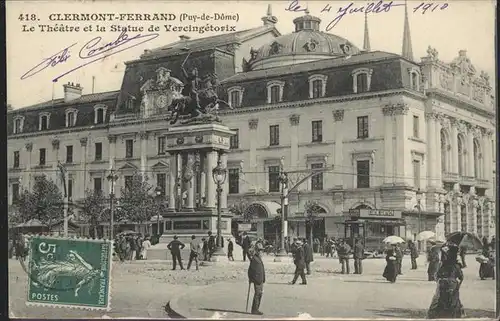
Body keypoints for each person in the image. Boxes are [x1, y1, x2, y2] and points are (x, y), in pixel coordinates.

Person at [427, 242, 465, 319]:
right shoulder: (456, 265)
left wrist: (439, 281)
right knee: (453, 301)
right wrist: (458, 285)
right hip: (452, 284)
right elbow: (461, 277)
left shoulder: (443, 264)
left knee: (439, 300)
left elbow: (437, 275)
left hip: (443, 284)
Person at [248, 242, 265, 315]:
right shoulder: (254, 259)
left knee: (260, 294)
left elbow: (262, 269)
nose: (261, 252)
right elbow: (250, 270)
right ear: (257, 251)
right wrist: (251, 279)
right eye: (260, 250)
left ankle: (256, 309)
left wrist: (263, 278)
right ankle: (254, 310)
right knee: (257, 294)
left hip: (261, 280)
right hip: (257, 280)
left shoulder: (259, 258)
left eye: (261, 250)